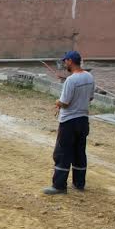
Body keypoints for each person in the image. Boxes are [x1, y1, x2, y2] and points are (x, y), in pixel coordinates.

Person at [43, 50, 95, 195]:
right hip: (83, 120)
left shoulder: (71, 80)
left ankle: (59, 186)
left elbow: (65, 102)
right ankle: (79, 183)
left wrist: (57, 102)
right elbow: (90, 98)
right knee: (79, 152)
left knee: (62, 153)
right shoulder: (89, 77)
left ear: (70, 61)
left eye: (65, 61)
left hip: (69, 122)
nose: (64, 64)